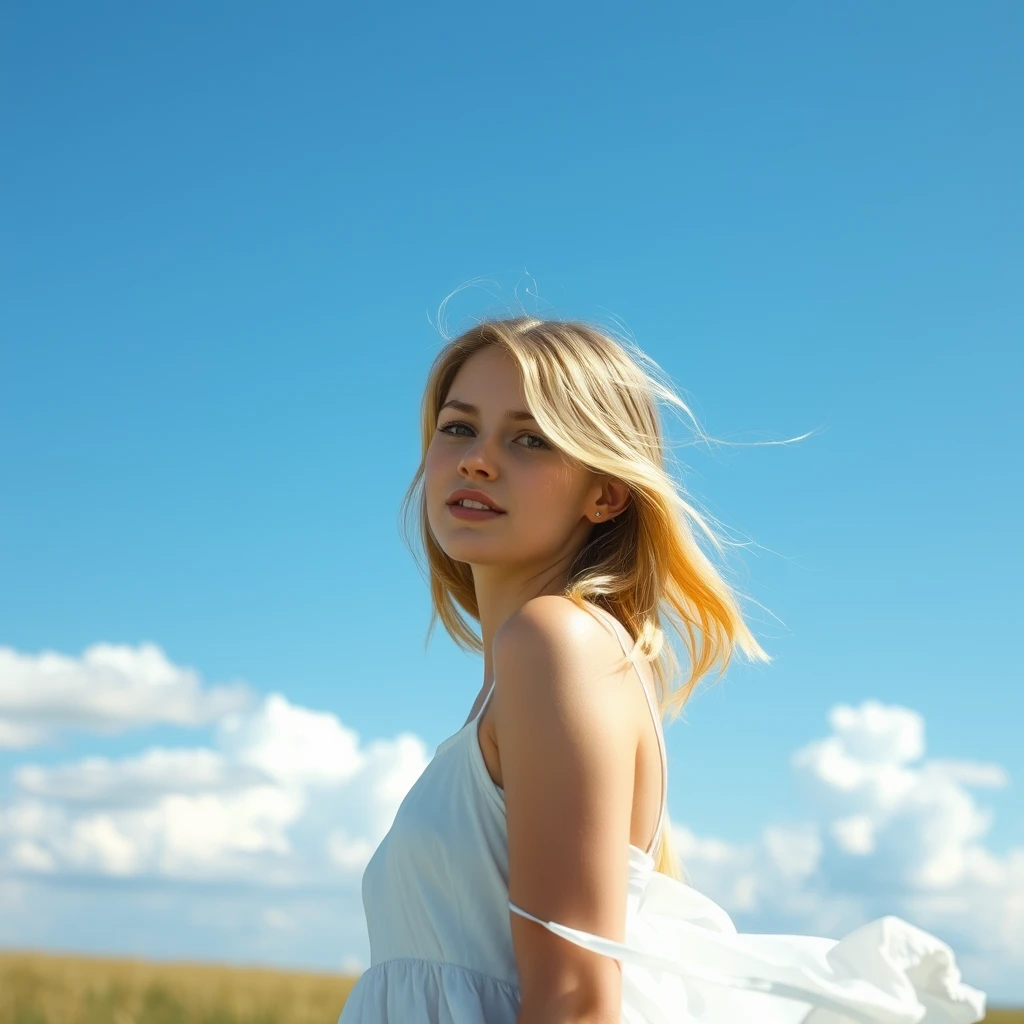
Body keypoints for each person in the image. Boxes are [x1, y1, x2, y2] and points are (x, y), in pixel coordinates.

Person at [338, 317, 986, 1023]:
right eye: (458, 428)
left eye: (531, 438)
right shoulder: (525, 672)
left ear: (606, 493)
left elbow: (576, 1001)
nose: (477, 460)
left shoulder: (557, 642)